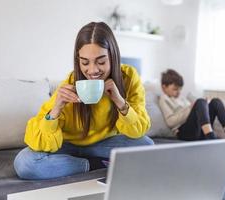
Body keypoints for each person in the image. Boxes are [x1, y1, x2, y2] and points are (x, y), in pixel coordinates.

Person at [14, 22, 154, 180]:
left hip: (104, 144)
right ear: (78, 60)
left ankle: (90, 161)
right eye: (85, 63)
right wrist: (56, 109)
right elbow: (35, 139)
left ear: (113, 57)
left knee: (146, 147)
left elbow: (139, 129)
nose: (93, 70)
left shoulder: (128, 77)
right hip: (68, 145)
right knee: (25, 163)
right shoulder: (71, 83)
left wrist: (120, 101)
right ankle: (95, 164)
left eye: (101, 62)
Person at [159, 69, 225, 147]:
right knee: (200, 102)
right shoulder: (164, 99)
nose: (178, 92)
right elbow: (170, 122)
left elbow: (194, 111)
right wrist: (191, 108)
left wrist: (205, 105)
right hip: (184, 133)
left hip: (198, 129)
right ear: (164, 87)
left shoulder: (181, 98)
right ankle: (210, 137)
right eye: (175, 89)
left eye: (179, 89)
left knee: (215, 102)